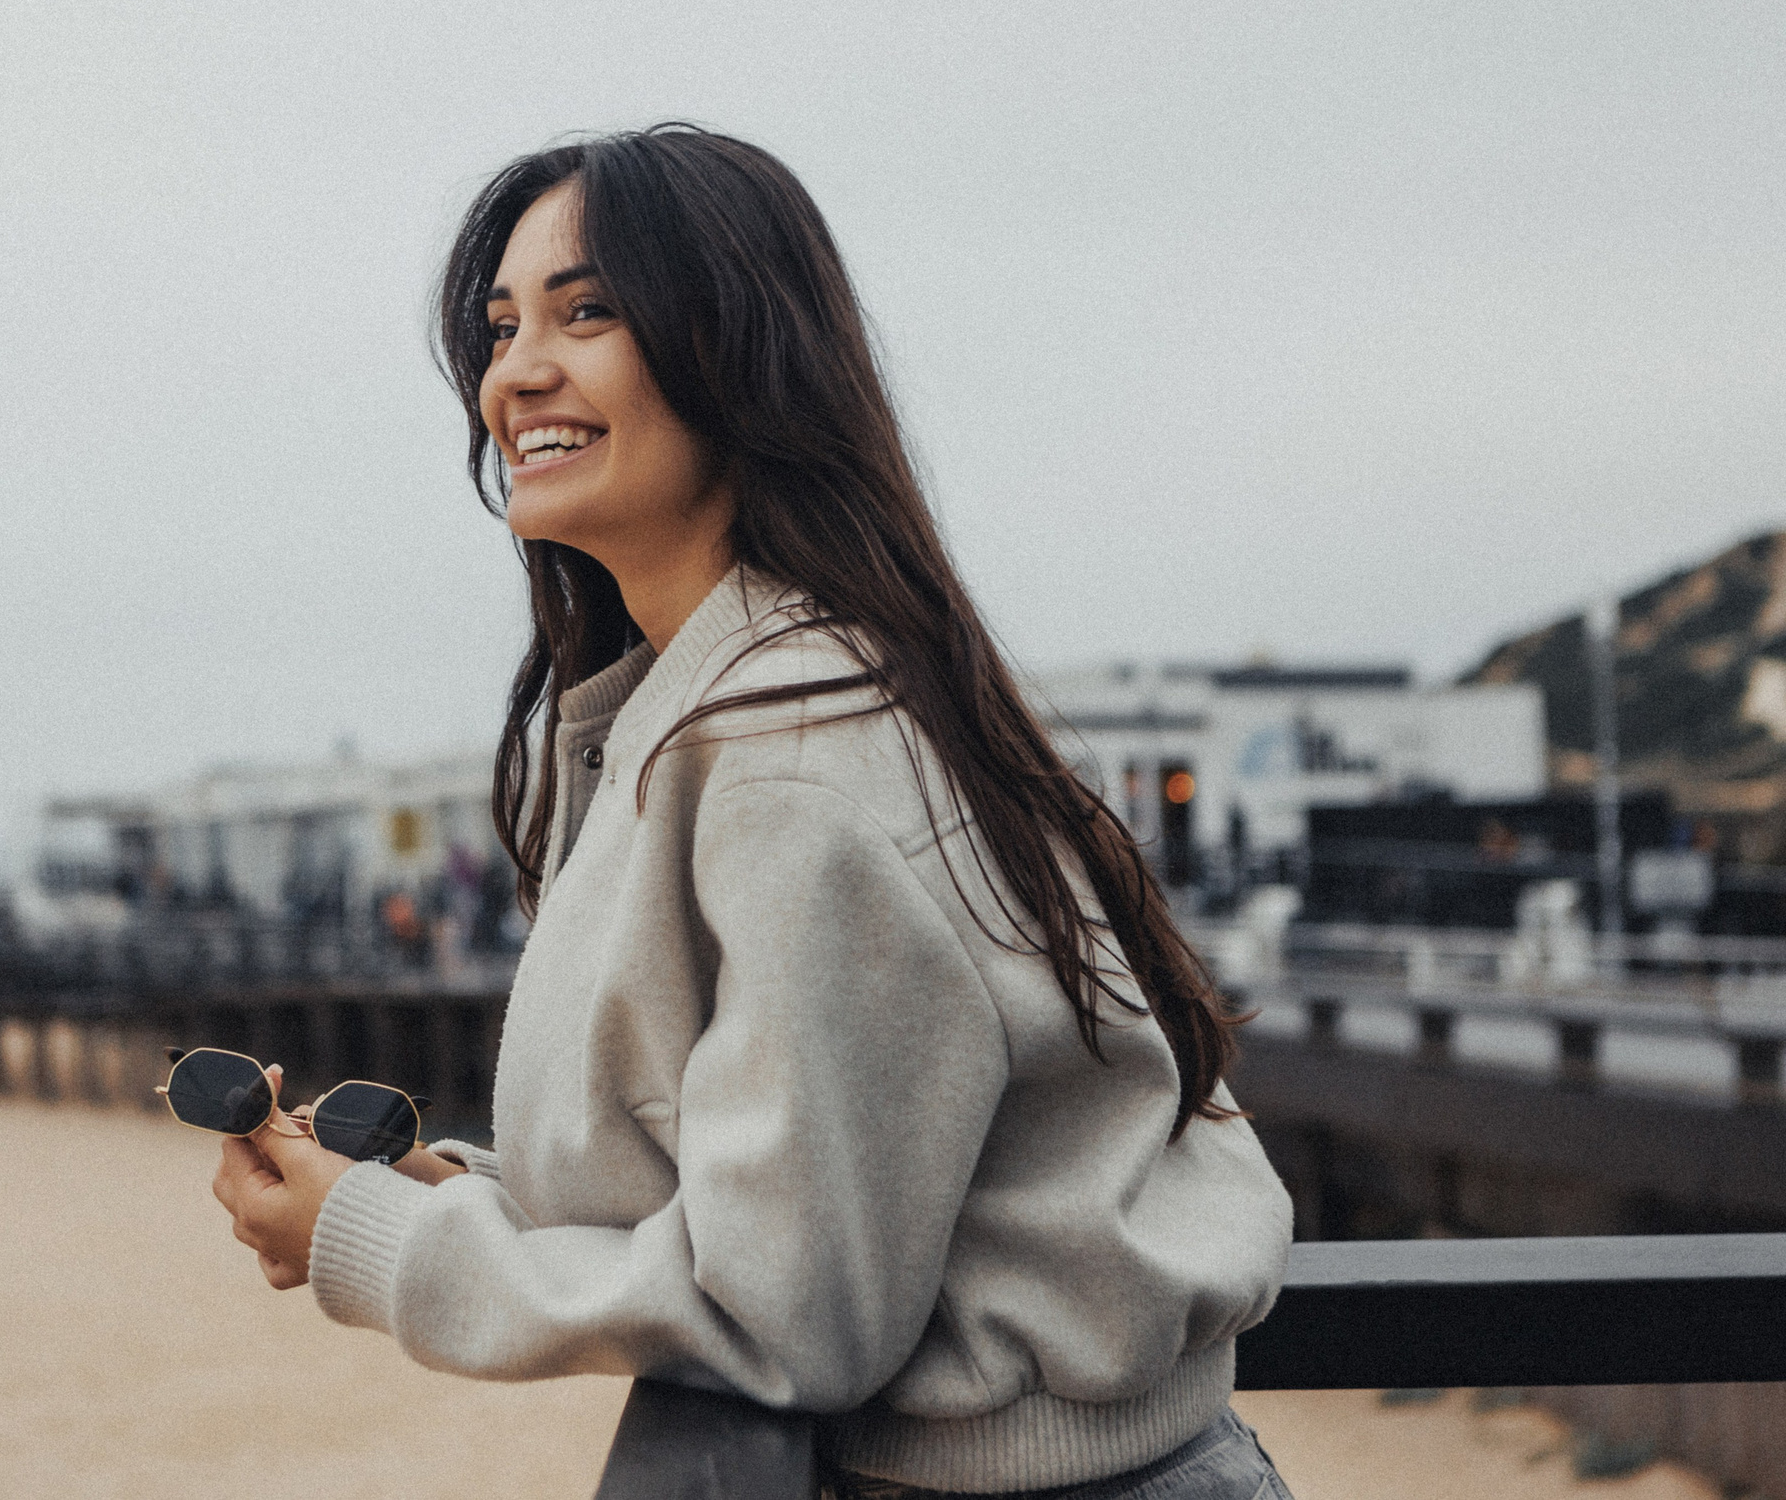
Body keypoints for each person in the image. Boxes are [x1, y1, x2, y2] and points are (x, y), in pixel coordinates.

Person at [210, 126, 1295, 1498]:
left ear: (736, 349)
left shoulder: (795, 748)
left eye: (588, 310)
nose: (518, 371)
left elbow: (787, 1312)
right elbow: (784, 1173)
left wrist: (377, 1246)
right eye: (501, 327)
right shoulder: (741, 692)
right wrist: (451, 1198)